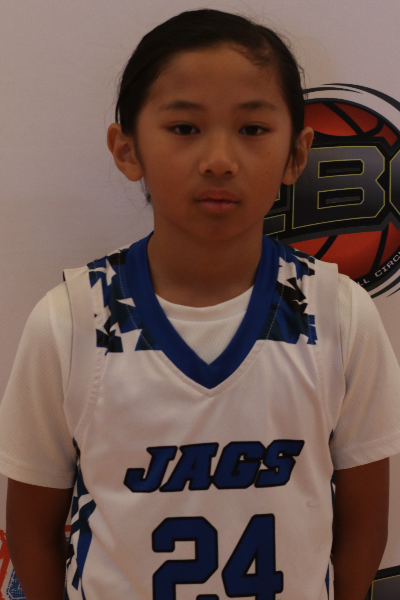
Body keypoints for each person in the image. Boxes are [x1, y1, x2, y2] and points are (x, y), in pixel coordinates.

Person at [1, 8, 399, 600]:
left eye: (252, 129)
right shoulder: (70, 321)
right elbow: (32, 531)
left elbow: (365, 526)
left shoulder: (339, 314)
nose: (219, 159)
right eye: (185, 128)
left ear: (297, 154)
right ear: (127, 149)